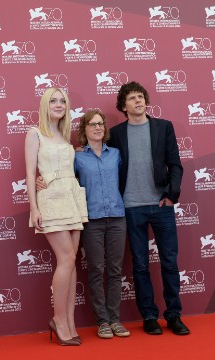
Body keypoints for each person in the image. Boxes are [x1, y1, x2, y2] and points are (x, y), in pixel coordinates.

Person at [107, 81, 190, 335]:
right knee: (140, 265)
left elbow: (175, 164)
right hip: (131, 207)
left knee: (170, 263)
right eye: (132, 98)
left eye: (141, 97)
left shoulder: (164, 127)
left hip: (161, 205)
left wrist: (171, 195)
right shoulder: (116, 133)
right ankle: (149, 316)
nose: (138, 101)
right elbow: (103, 157)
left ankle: (174, 314)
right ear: (123, 106)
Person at [25, 87, 88, 346]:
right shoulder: (34, 133)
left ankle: (70, 322)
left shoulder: (64, 136)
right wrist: (34, 207)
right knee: (66, 258)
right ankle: (58, 320)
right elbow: (30, 173)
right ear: (44, 104)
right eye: (53, 100)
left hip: (72, 198)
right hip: (50, 201)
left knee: (71, 262)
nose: (59, 104)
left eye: (63, 101)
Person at [74, 110, 130, 339]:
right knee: (96, 270)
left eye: (101, 124)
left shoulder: (116, 154)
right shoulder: (76, 157)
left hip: (118, 217)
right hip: (92, 221)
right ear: (84, 129)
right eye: (92, 124)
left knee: (115, 271)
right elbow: (65, 183)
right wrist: (40, 180)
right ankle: (102, 321)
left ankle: (115, 320)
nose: (97, 127)